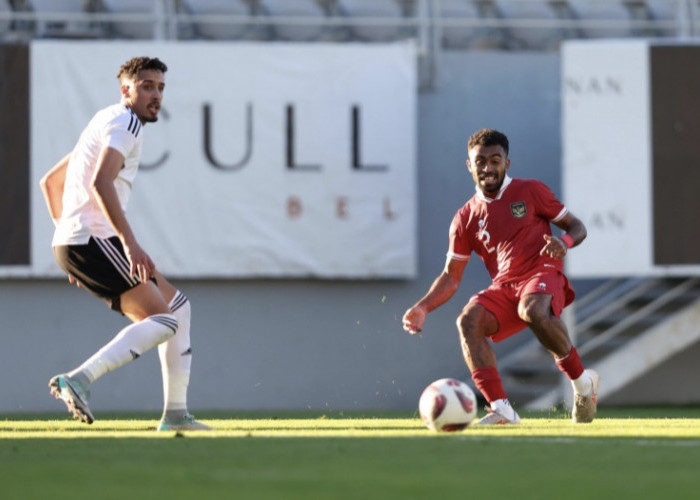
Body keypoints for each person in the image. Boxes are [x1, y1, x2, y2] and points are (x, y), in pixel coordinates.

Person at [39, 56, 210, 431]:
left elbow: (49, 183)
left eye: (161, 87)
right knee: (163, 319)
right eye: (147, 86)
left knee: (178, 309)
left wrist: (68, 241)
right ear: (126, 90)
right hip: (93, 239)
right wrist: (128, 245)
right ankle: (80, 379)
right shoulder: (127, 123)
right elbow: (101, 182)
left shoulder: (105, 119)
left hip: (81, 241)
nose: (156, 95)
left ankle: (176, 416)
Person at [402, 128, 599, 424]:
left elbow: (577, 227)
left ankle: (583, 384)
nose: (488, 168)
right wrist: (422, 307)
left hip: (542, 270)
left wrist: (565, 243)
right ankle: (502, 409)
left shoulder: (530, 191)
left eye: (495, 160)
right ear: (469, 165)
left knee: (532, 309)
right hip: (506, 286)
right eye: (480, 161)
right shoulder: (465, 218)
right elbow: (451, 277)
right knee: (468, 321)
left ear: (507, 164)